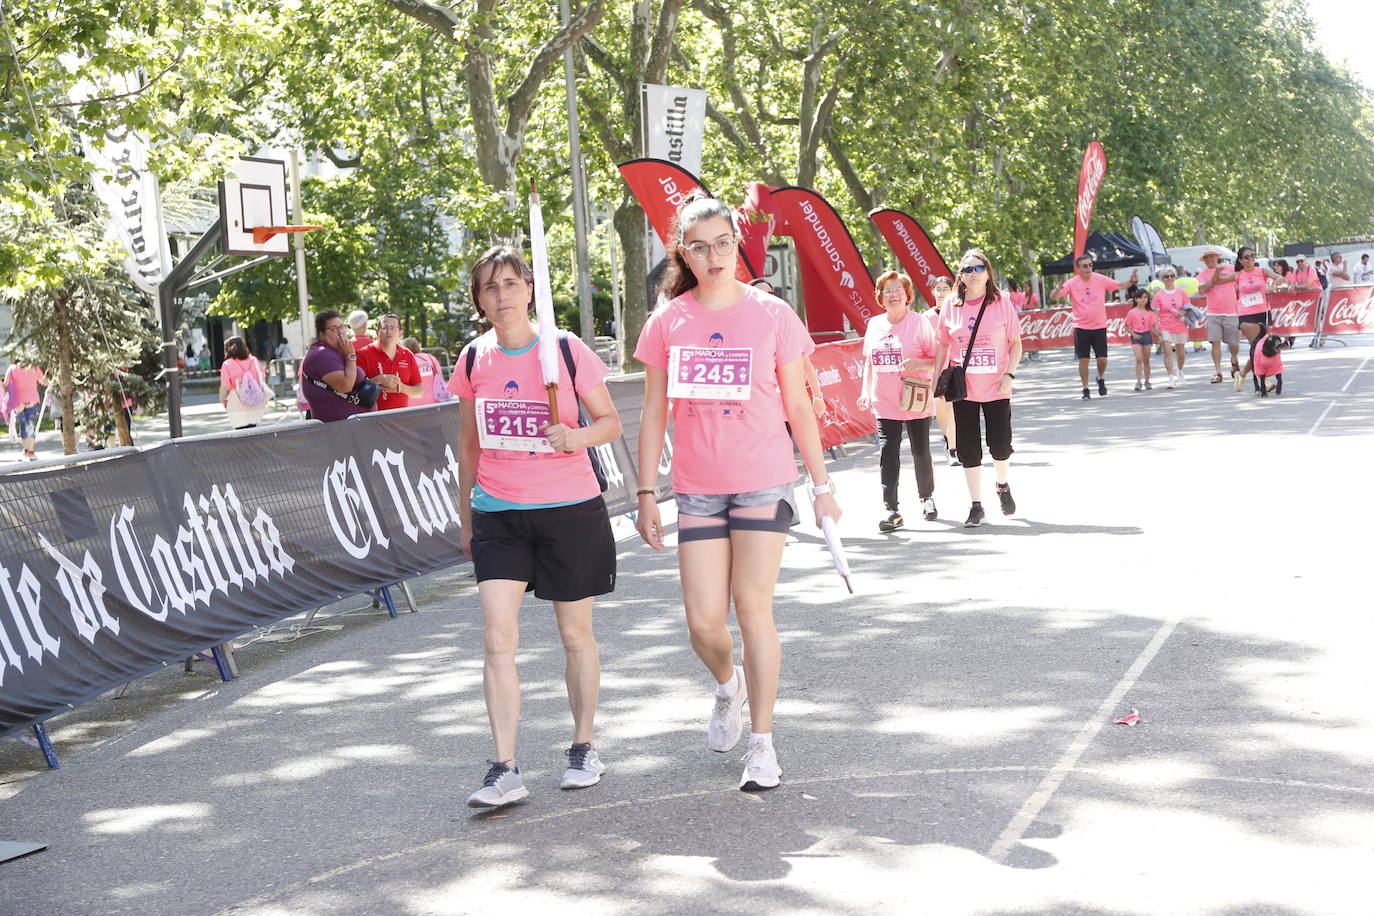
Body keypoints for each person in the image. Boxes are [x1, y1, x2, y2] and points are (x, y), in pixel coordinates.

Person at [633, 193, 841, 793]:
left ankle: (763, 743)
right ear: (684, 254)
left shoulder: (772, 315)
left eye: (723, 242)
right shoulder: (666, 322)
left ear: (736, 245)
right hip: (696, 490)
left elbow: (799, 404)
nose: (714, 255)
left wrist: (821, 485)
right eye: (699, 246)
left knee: (752, 608)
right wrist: (647, 493)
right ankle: (729, 686)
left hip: (762, 481)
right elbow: (651, 413)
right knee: (702, 623)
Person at [449, 245, 623, 809]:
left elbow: (610, 422)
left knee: (575, 635)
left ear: (529, 289)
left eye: (509, 284)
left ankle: (583, 747)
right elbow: (469, 440)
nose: (500, 296)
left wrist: (575, 436)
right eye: (488, 288)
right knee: (498, 638)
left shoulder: (565, 350)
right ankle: (504, 767)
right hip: (498, 511)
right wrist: (464, 511)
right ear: (479, 301)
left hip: (569, 510)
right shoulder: (474, 358)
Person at [932, 249, 1023, 528]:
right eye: (967, 269)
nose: (973, 273)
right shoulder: (951, 305)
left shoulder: (1001, 303)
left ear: (988, 272)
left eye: (978, 268)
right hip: (964, 388)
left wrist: (1009, 373)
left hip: (996, 385)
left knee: (1000, 443)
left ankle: (1003, 484)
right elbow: (944, 345)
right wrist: (937, 379)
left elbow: (1016, 343)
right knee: (968, 448)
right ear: (960, 275)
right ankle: (976, 505)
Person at [857, 270, 938, 530]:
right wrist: (864, 391)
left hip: (915, 396)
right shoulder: (874, 324)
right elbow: (869, 361)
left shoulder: (919, 322)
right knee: (887, 452)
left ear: (907, 296)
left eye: (897, 290)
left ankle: (927, 497)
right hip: (885, 400)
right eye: (887, 291)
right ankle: (891, 509)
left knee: (920, 451)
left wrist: (917, 363)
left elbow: (936, 358)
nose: (892, 295)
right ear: (880, 297)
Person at [1052, 256, 1138, 399]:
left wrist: (1131, 281)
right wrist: (1056, 290)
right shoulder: (1072, 283)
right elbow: (1055, 297)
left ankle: (1100, 377)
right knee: (1083, 359)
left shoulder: (1100, 279)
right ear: (1078, 269)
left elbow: (1119, 286)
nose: (1088, 268)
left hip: (1099, 325)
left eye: (1090, 265)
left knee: (1102, 359)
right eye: (1085, 266)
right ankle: (1085, 388)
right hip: (1081, 326)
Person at [749, 278, 826, 418]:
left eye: (770, 293)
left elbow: (805, 362)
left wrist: (817, 396)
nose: (765, 297)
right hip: (753, 409)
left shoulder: (783, 324)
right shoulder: (742, 329)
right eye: (758, 293)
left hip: (782, 406)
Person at [300, 309, 375, 421]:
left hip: (353, 426)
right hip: (340, 428)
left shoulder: (335, 350)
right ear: (321, 334)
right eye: (334, 329)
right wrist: (351, 356)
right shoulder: (321, 354)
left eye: (342, 327)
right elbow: (345, 386)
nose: (341, 332)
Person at [1231, 246, 1286, 391]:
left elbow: (1281, 278)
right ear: (1241, 261)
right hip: (1246, 314)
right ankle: (1265, 379)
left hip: (1263, 312)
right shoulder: (1237, 275)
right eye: (1247, 257)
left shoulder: (1261, 271)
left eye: (1252, 256)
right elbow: (1217, 281)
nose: (1250, 259)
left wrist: (1272, 285)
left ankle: (1242, 374)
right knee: (1258, 346)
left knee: (1261, 348)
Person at [355, 314, 424, 410]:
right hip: (371, 418)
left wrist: (401, 388)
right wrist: (379, 379)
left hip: (400, 417)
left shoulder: (407, 355)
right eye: (384, 328)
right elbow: (354, 391)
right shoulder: (362, 354)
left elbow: (419, 391)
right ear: (377, 332)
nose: (388, 331)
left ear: (400, 333)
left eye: (393, 328)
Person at [1197, 246, 1241, 383]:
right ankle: (1218, 372)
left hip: (1231, 312)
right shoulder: (1202, 275)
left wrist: (1216, 279)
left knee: (1234, 343)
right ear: (1204, 260)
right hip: (1213, 313)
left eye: (1212, 256)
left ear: (1217, 257)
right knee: (1215, 343)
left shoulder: (1228, 267)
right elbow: (1202, 290)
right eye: (1207, 258)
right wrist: (1216, 278)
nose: (1210, 259)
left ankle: (1234, 360)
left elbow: (1237, 277)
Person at [927, 275, 959, 464]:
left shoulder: (958, 313)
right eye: (937, 289)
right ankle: (948, 437)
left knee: (953, 407)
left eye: (944, 289)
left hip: (955, 369)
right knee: (940, 411)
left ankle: (953, 449)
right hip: (934, 370)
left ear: (952, 291)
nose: (940, 293)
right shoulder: (926, 318)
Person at [218, 335, 269, 429]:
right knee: (253, 431)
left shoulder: (227, 364)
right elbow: (262, 377)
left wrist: (222, 399)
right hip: (255, 403)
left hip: (237, 403)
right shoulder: (254, 360)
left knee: (241, 434)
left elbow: (224, 385)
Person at [1152, 268, 1191, 387]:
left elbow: (1189, 308)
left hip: (1179, 325)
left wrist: (1182, 313)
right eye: (1166, 276)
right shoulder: (1159, 295)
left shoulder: (1181, 292)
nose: (1169, 278)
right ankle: (1170, 377)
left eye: (1172, 276)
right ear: (1162, 279)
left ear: (1175, 277)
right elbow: (1156, 313)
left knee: (1181, 353)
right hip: (1165, 325)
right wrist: (1156, 327)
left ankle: (1180, 371)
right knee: (1167, 351)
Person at [4, 359, 45, 460]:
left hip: (18, 402)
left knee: (23, 425)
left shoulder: (12, 368)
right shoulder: (34, 367)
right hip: (33, 400)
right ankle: (30, 451)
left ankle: (27, 450)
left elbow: (5, 384)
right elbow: (43, 381)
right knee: (29, 424)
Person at [1124, 288, 1159, 391]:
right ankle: (1138, 381)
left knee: (1146, 360)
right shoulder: (1132, 312)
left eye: (1145, 297)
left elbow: (1153, 326)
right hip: (1136, 336)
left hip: (1146, 335)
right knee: (1138, 359)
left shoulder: (1150, 312)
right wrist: (1133, 334)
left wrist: (1158, 334)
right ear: (1136, 299)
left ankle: (1147, 381)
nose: (1143, 300)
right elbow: (1126, 326)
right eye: (1140, 298)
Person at [402, 336, 447, 406]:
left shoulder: (403, 361)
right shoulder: (430, 358)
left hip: (410, 403)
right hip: (433, 401)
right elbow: (440, 377)